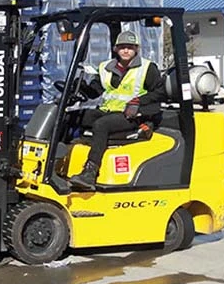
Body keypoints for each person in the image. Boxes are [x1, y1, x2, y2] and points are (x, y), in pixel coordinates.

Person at [68, 29, 165, 190]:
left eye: (130, 47)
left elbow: (160, 92)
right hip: (109, 111)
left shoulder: (147, 68)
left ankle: (90, 173)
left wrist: (139, 101)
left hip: (133, 116)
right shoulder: (106, 67)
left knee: (101, 125)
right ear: (115, 49)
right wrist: (82, 88)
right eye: (122, 47)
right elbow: (95, 92)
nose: (126, 50)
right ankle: (60, 161)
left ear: (136, 49)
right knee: (73, 117)